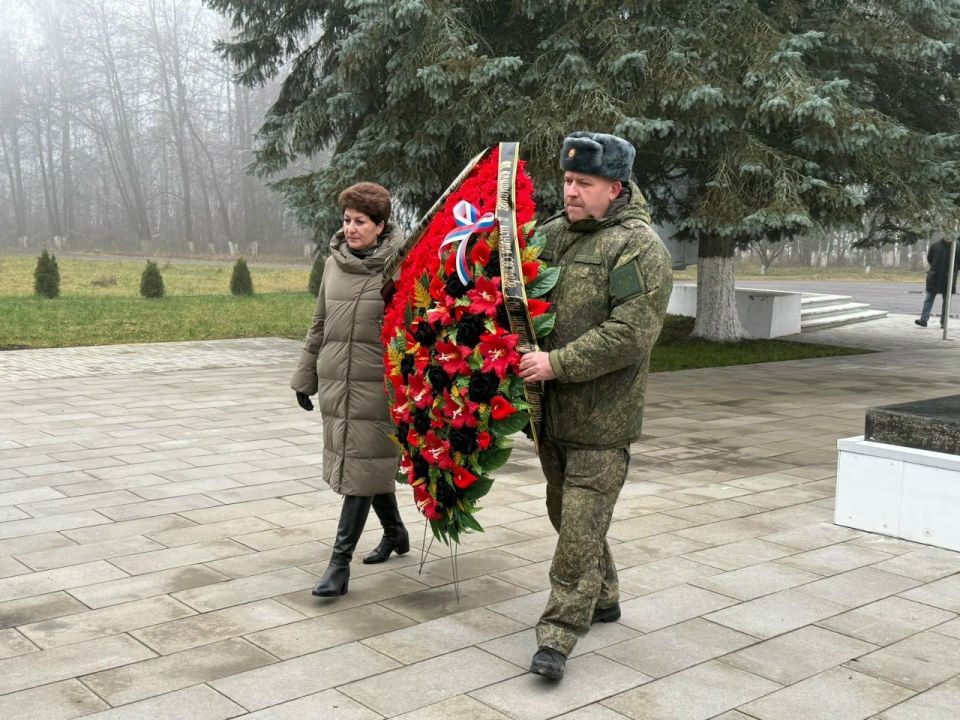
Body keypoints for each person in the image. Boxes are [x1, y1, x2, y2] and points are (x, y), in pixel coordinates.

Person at [518, 131, 673, 680]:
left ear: (616, 187)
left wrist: (556, 364)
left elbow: (631, 332)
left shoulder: (638, 248)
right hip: (551, 416)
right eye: (567, 180)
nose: (571, 192)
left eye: (584, 183)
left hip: (603, 419)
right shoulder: (551, 235)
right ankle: (604, 596)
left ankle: (557, 636)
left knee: (578, 531)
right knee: (568, 516)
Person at [291, 182, 410, 597]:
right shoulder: (334, 264)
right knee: (366, 464)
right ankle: (395, 532)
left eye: (361, 221)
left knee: (360, 468)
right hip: (336, 383)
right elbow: (319, 323)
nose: (351, 228)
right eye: (347, 220)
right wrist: (305, 376)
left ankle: (338, 566)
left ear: (381, 225)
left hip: (378, 386)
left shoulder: (400, 267)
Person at [915, 236, 958, 328]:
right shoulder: (935, 246)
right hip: (935, 276)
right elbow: (930, 259)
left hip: (949, 278)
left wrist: (954, 270)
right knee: (929, 298)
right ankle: (923, 320)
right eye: (947, 234)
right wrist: (935, 268)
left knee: (947, 301)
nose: (949, 237)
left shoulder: (957, 247)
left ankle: (944, 322)